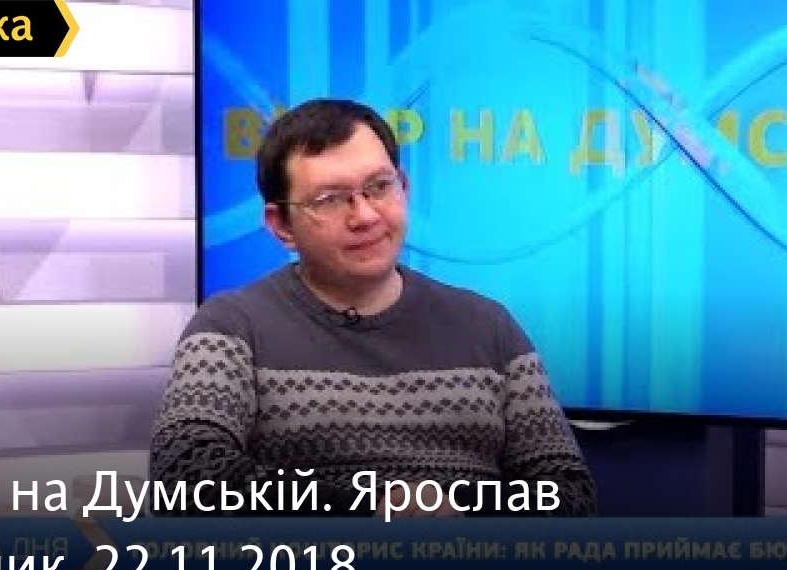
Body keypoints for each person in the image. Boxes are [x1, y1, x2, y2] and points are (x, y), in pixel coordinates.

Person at [149, 98, 597, 517]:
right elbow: (185, 478)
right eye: (329, 199)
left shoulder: (489, 326)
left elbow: (568, 492)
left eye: (379, 187)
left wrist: (449, 509)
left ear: (404, 188)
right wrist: (372, 508)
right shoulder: (230, 326)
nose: (364, 216)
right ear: (281, 224)